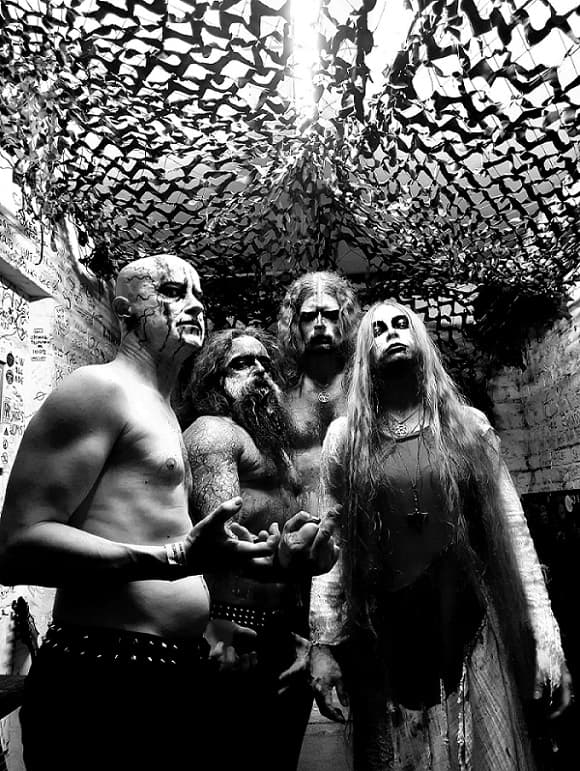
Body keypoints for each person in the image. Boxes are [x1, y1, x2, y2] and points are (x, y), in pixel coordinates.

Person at [0, 254, 278, 771]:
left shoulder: (164, 409)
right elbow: (16, 547)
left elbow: (152, 537)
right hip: (100, 681)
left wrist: (208, 624)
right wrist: (171, 559)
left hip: (168, 674)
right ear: (125, 310)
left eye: (199, 294)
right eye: (172, 291)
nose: (194, 305)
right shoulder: (98, 390)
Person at [309, 300, 572, 770]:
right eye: (378, 330)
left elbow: (515, 535)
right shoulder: (344, 438)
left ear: (422, 341)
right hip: (388, 628)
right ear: (364, 354)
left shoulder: (468, 426)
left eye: (401, 324)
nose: (392, 333)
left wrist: (546, 637)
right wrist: (322, 644)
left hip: (469, 618)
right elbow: (334, 546)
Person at [181, 326, 339, 771]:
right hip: (230, 631)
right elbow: (223, 542)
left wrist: (313, 553)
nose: (259, 372)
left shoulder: (274, 445)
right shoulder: (214, 433)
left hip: (285, 633)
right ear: (214, 380)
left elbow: (295, 543)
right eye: (242, 363)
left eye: (265, 364)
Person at [277, 270, 360, 516]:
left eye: (331, 315)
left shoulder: (364, 383)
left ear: (345, 320)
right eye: (309, 316)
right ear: (295, 324)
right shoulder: (280, 387)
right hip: (299, 521)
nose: (320, 324)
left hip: (359, 518)